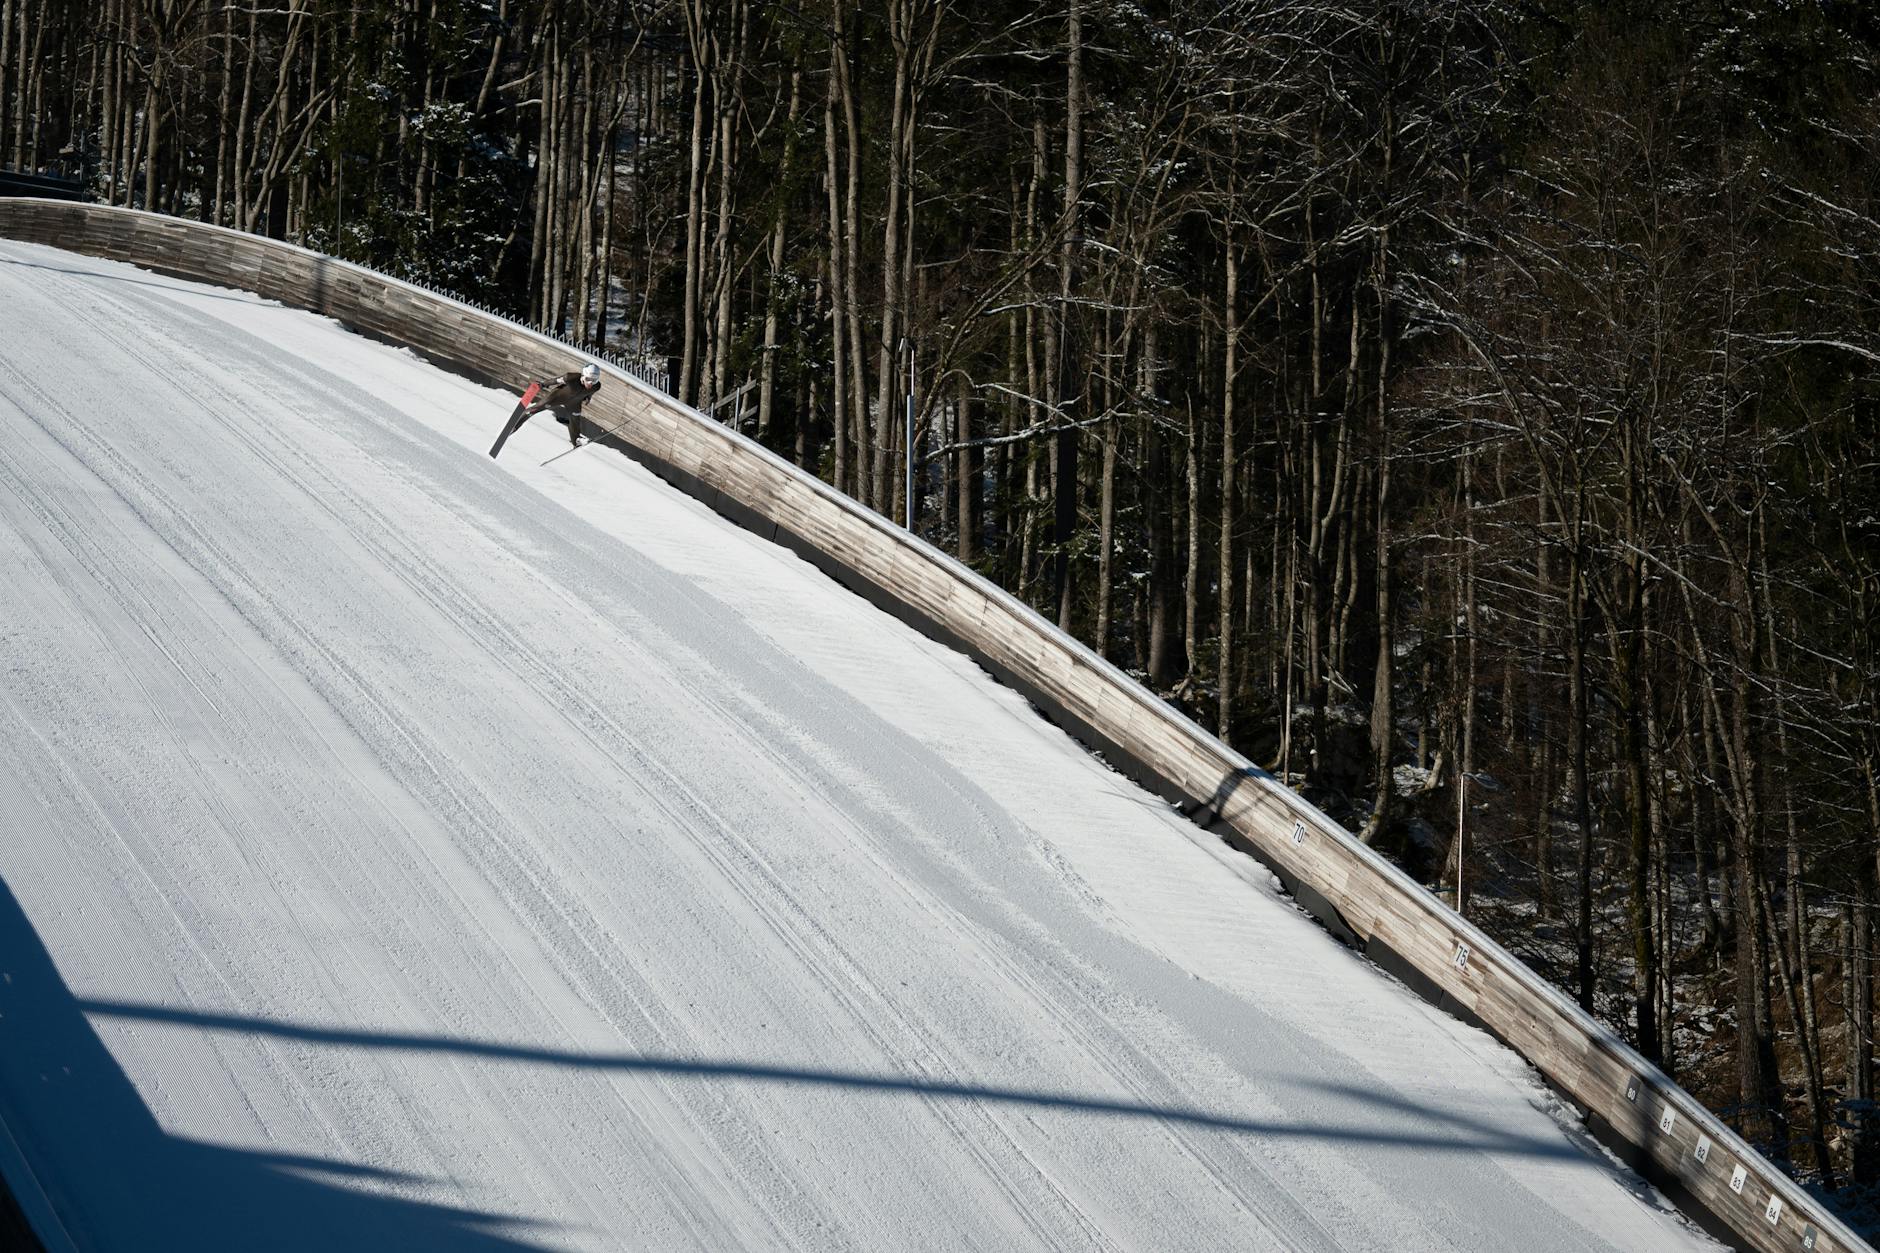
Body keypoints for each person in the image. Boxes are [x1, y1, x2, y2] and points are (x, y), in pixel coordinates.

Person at [528, 362, 603, 448]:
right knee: (537, 407)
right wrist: (543, 384)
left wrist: (588, 397)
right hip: (558, 397)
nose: (590, 382)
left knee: (575, 420)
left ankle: (576, 440)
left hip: (574, 403)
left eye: (594, 380)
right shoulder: (571, 377)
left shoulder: (596, 386)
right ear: (583, 375)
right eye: (588, 379)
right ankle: (522, 417)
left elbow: (591, 392)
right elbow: (556, 380)